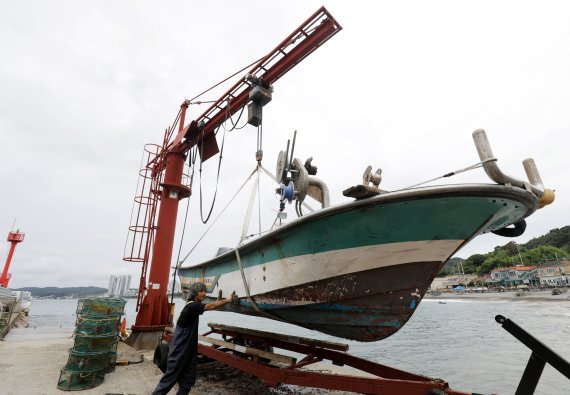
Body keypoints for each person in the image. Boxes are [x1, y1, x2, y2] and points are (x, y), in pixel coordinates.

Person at [152, 282, 232, 395]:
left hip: (189, 351)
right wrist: (228, 300)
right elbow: (211, 306)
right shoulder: (191, 306)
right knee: (168, 380)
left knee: (187, 381)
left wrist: (219, 300)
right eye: (201, 291)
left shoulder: (194, 306)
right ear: (195, 293)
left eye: (205, 291)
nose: (204, 293)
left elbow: (209, 304)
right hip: (179, 352)